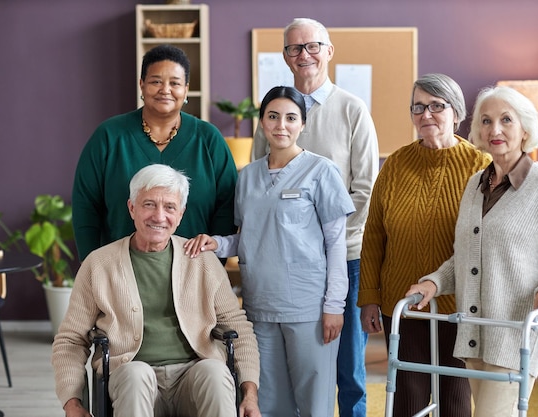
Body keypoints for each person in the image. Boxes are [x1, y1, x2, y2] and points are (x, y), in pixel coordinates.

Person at [406, 85, 538, 417]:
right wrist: (433, 282)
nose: (495, 129)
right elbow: (465, 256)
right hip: (475, 334)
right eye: (487, 121)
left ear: (525, 130)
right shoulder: (474, 186)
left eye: (506, 120)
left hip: (515, 337)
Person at [185, 86, 355, 416]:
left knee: (314, 398)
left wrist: (335, 304)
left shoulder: (321, 172)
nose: (281, 125)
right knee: (269, 399)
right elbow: (248, 237)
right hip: (260, 305)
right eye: (273, 116)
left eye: (291, 118)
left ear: (303, 124)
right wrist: (216, 243)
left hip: (309, 307)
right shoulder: (246, 177)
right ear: (261, 122)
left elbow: (337, 245)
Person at [52, 164, 261, 417]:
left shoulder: (202, 261)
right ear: (132, 208)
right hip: (131, 376)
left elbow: (238, 327)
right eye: (149, 204)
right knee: (135, 374)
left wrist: (250, 393)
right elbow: (71, 339)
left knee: (215, 373)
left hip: (192, 375)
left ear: (181, 214)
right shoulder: (99, 265)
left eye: (170, 207)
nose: (159, 216)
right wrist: (72, 402)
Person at [251, 18, 379, 417]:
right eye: (293, 48)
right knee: (299, 370)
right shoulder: (273, 114)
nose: (303, 55)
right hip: (287, 266)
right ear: (285, 57)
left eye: (312, 46)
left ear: (328, 51)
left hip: (346, 256)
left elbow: (366, 188)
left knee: (348, 369)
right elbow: (260, 184)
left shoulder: (352, 109)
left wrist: (324, 239)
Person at [357, 73, 491, 417]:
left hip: (459, 304)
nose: (426, 114)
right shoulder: (397, 163)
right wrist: (369, 296)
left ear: (456, 113)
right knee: (407, 397)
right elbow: (373, 234)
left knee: (455, 398)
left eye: (436, 106)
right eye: (418, 107)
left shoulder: (481, 166)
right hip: (401, 301)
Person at [72, 44, 237, 262]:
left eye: (175, 83)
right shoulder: (109, 137)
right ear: (142, 85)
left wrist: (212, 266)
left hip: (193, 271)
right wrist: (92, 266)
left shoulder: (208, 139)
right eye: (156, 81)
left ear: (186, 89)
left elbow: (227, 207)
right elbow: (86, 207)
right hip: (119, 271)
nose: (165, 90)